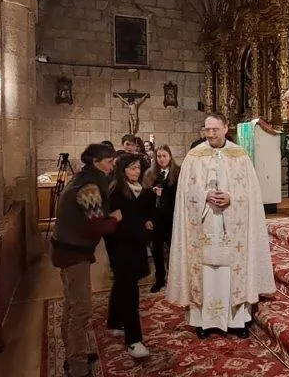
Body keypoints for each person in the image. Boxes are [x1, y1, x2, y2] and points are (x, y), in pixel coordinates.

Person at [167, 114, 275, 339]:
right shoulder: (194, 156)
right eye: (207, 129)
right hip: (204, 227)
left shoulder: (240, 156)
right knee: (205, 271)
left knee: (230, 272)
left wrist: (231, 197)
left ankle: (237, 321)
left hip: (233, 229)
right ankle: (203, 321)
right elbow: (185, 194)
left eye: (215, 129)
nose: (210, 134)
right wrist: (205, 195)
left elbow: (252, 195)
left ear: (226, 128)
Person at [50, 144, 122, 377]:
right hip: (74, 253)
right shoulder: (89, 187)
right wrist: (114, 218)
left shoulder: (82, 179)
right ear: (97, 162)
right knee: (80, 310)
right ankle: (78, 369)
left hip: (67, 248)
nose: (112, 166)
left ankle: (74, 354)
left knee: (72, 305)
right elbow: (94, 225)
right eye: (109, 162)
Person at [104, 154, 154, 358]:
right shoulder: (116, 191)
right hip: (122, 247)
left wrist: (148, 222)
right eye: (132, 168)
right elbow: (120, 224)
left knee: (123, 285)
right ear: (122, 170)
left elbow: (139, 215)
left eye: (138, 168)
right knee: (130, 293)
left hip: (134, 245)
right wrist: (144, 231)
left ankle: (115, 323)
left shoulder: (137, 190)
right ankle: (134, 341)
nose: (136, 172)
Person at [142, 145, 179, 293]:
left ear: (170, 156)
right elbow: (144, 199)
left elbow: (180, 196)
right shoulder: (150, 174)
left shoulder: (178, 172)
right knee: (156, 250)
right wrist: (147, 218)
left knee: (174, 250)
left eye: (164, 156)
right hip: (156, 218)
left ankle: (175, 279)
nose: (162, 159)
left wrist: (164, 194)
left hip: (172, 217)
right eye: (159, 156)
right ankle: (159, 279)